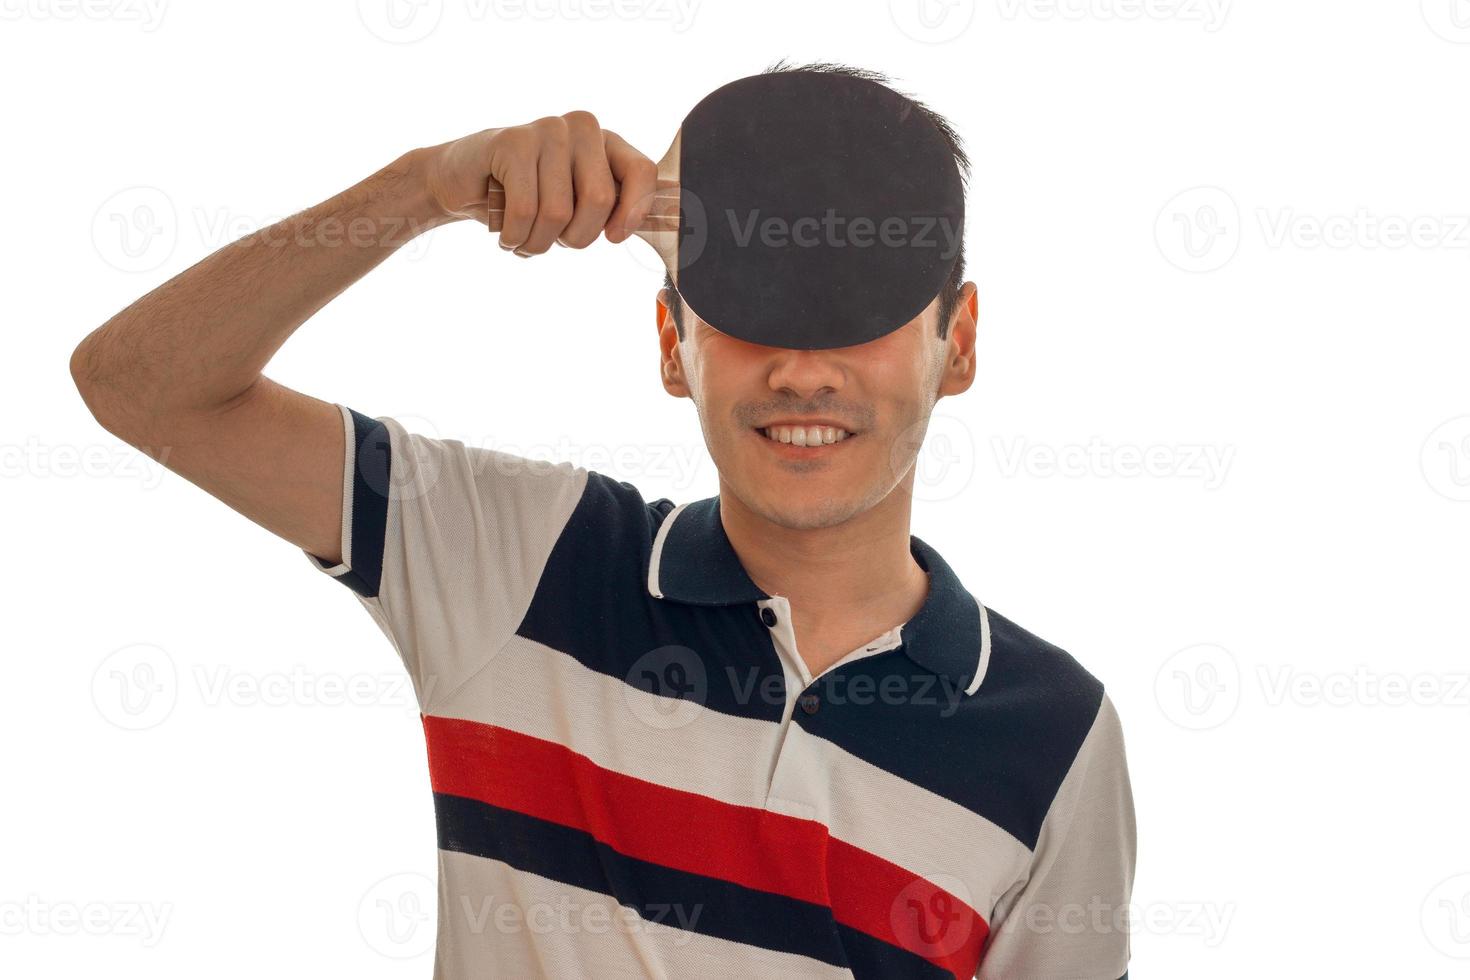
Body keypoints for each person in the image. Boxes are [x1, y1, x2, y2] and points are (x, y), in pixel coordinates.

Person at [71, 62, 1135, 980]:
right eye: (755, 308)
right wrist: (426, 186)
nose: (803, 371)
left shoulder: (1058, 739)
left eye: (857, 318)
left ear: (961, 343)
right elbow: (143, 386)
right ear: (672, 342)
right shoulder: (517, 558)